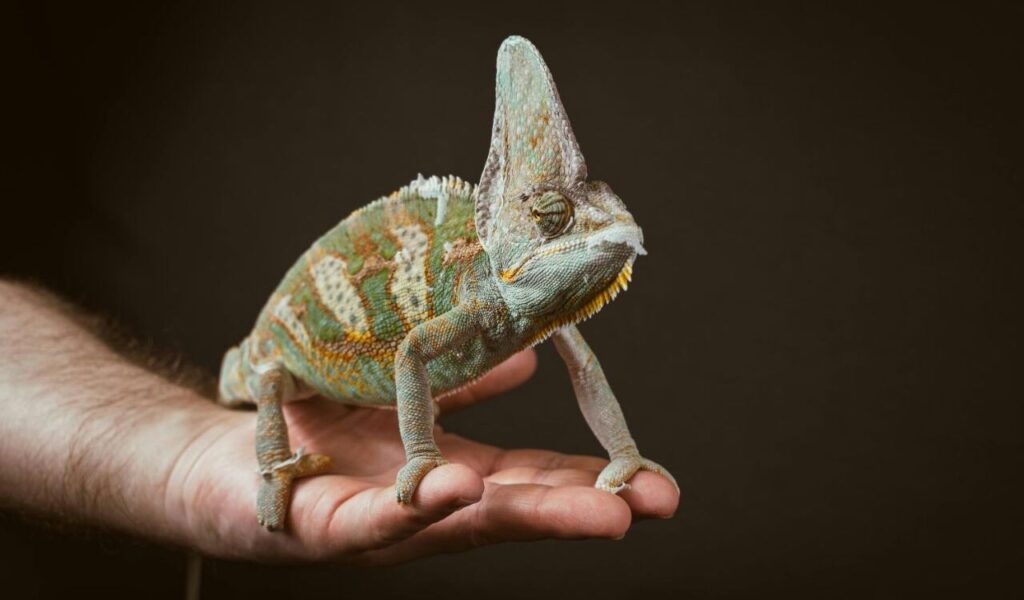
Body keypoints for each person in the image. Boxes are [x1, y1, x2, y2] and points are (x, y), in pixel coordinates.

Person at [0, 280, 679, 565]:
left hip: (357, 364)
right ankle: (274, 465)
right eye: (557, 221)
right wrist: (421, 451)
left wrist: (623, 449)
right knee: (270, 378)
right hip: (286, 353)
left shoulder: (535, 304)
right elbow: (412, 349)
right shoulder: (486, 287)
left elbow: (584, 369)